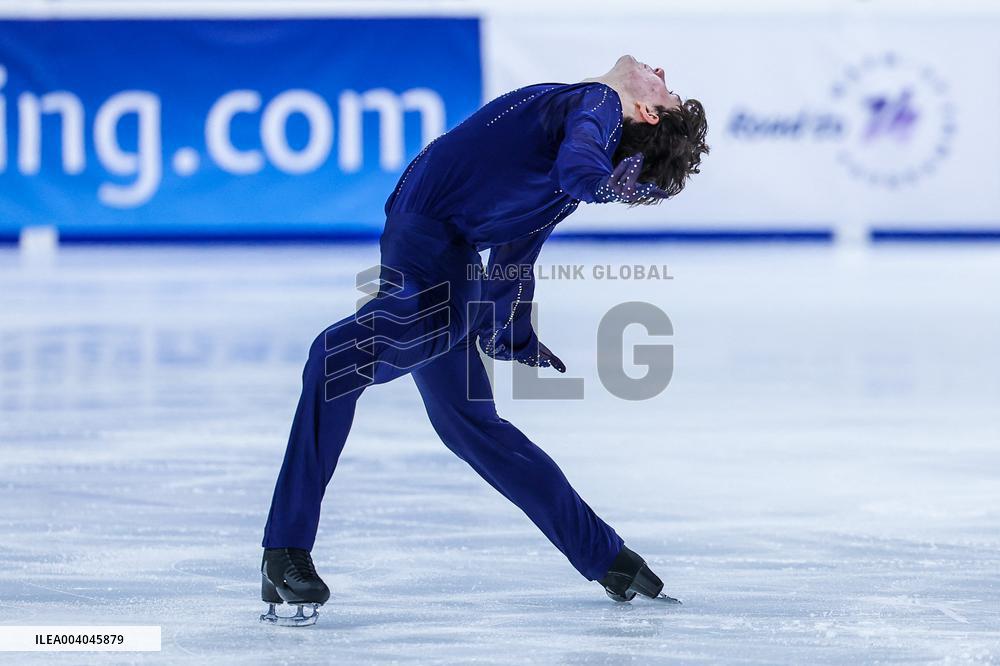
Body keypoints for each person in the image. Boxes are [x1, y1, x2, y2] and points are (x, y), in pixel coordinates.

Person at [259, 54, 709, 625]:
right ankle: (612, 560)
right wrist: (509, 331)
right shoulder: (573, 136)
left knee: (336, 361)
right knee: (473, 428)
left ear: (643, 113)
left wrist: (600, 185)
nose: (662, 73)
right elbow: (521, 245)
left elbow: (578, 170)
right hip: (436, 260)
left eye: (665, 92)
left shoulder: (596, 106)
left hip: (434, 269)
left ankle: (285, 549)